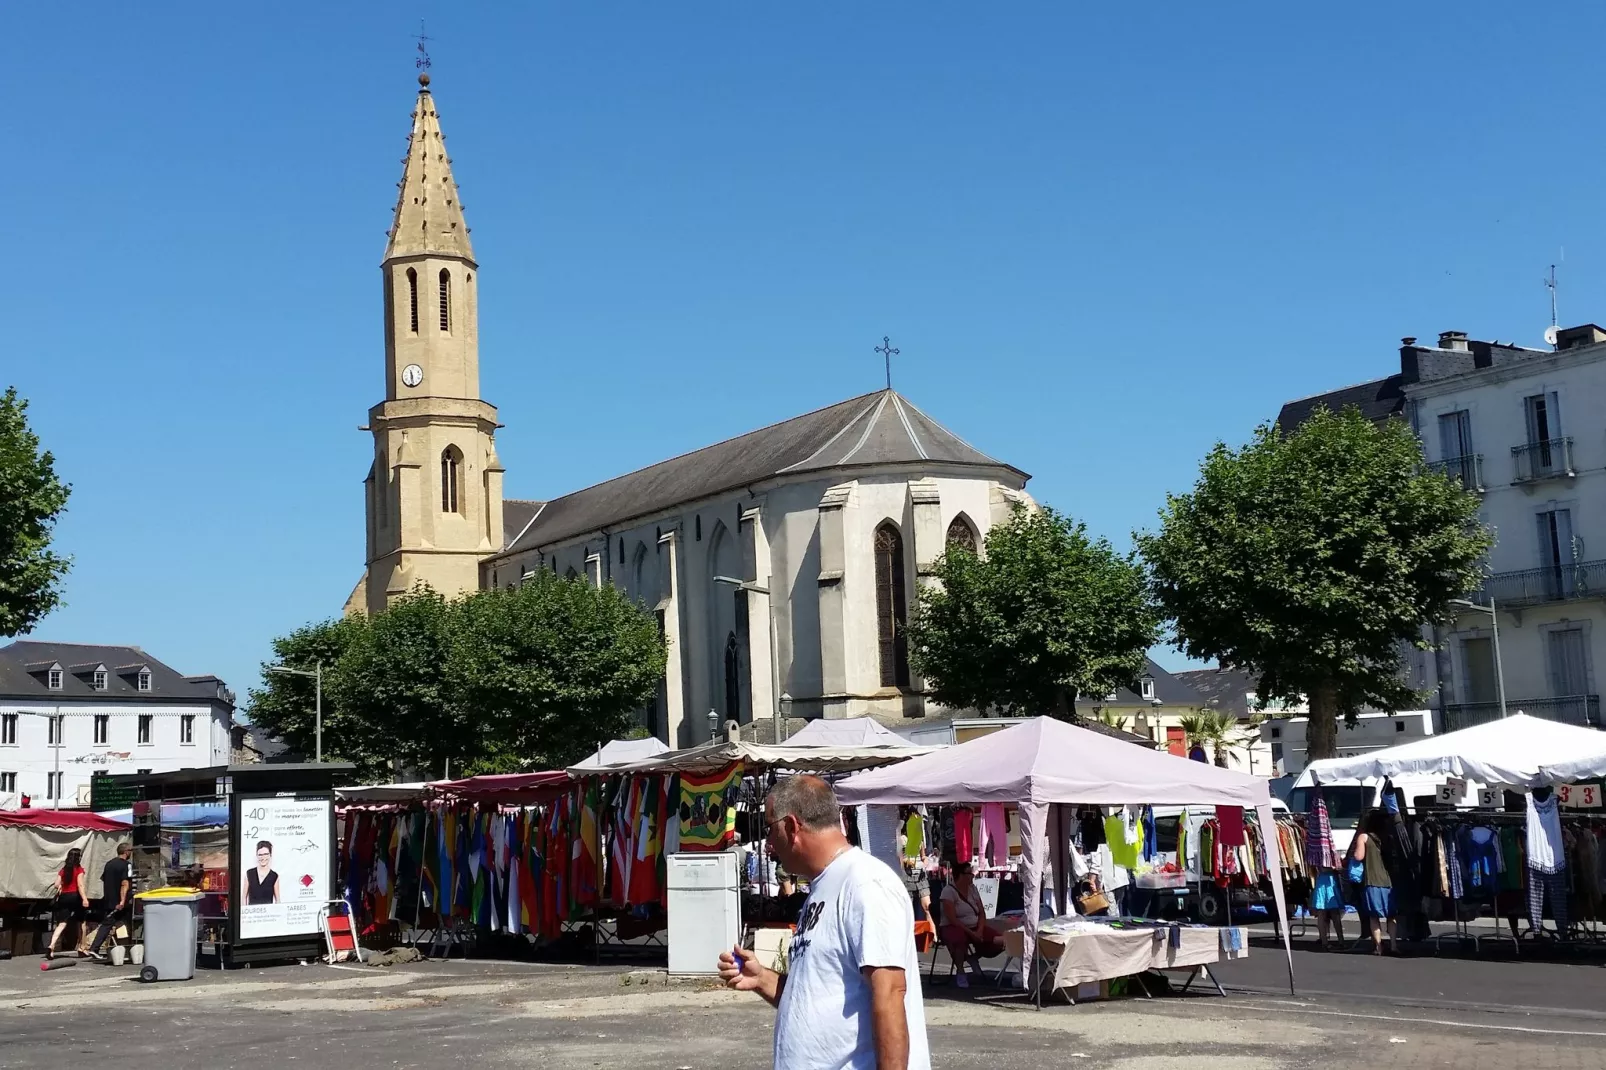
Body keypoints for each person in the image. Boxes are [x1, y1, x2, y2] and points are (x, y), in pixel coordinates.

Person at [718, 775, 929, 1070]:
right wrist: (762, 979)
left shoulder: (866, 883)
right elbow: (819, 993)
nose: (768, 843)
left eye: (769, 827)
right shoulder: (824, 886)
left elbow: (890, 992)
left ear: (791, 827)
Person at [938, 862, 1004, 988]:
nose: (972, 876)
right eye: (969, 873)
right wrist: (972, 933)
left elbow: (981, 913)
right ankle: (961, 971)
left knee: (1000, 941)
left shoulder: (972, 888)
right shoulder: (948, 891)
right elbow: (952, 919)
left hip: (974, 925)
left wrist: (979, 930)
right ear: (961, 875)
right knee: (959, 939)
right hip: (954, 926)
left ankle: (972, 957)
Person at [1352, 810, 1397, 955]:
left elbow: (1359, 856)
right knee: (1391, 915)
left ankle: (1378, 947)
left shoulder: (1364, 837)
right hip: (1388, 881)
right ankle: (1394, 945)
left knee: (1373, 916)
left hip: (1372, 880)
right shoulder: (1388, 837)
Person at [86, 842, 135, 961]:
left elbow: (104, 879)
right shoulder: (126, 865)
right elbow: (125, 884)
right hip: (120, 902)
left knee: (110, 923)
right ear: (126, 852)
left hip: (108, 899)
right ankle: (97, 948)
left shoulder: (109, 864)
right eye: (130, 851)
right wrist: (122, 901)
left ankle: (119, 948)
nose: (131, 854)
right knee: (125, 923)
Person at [45, 848, 88, 959]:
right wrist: (84, 899)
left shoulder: (63, 870)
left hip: (64, 897)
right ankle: (82, 948)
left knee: (62, 923)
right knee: (81, 922)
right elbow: (80, 885)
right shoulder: (79, 869)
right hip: (75, 897)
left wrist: (61, 886)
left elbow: (56, 884)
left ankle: (51, 946)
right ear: (78, 857)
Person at [245, 840, 281, 905]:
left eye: (266, 854)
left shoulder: (274, 876)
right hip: (251, 913)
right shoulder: (249, 873)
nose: (263, 857)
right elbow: (244, 897)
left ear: (270, 855)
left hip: (268, 914)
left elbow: (278, 900)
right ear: (257, 855)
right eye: (260, 855)